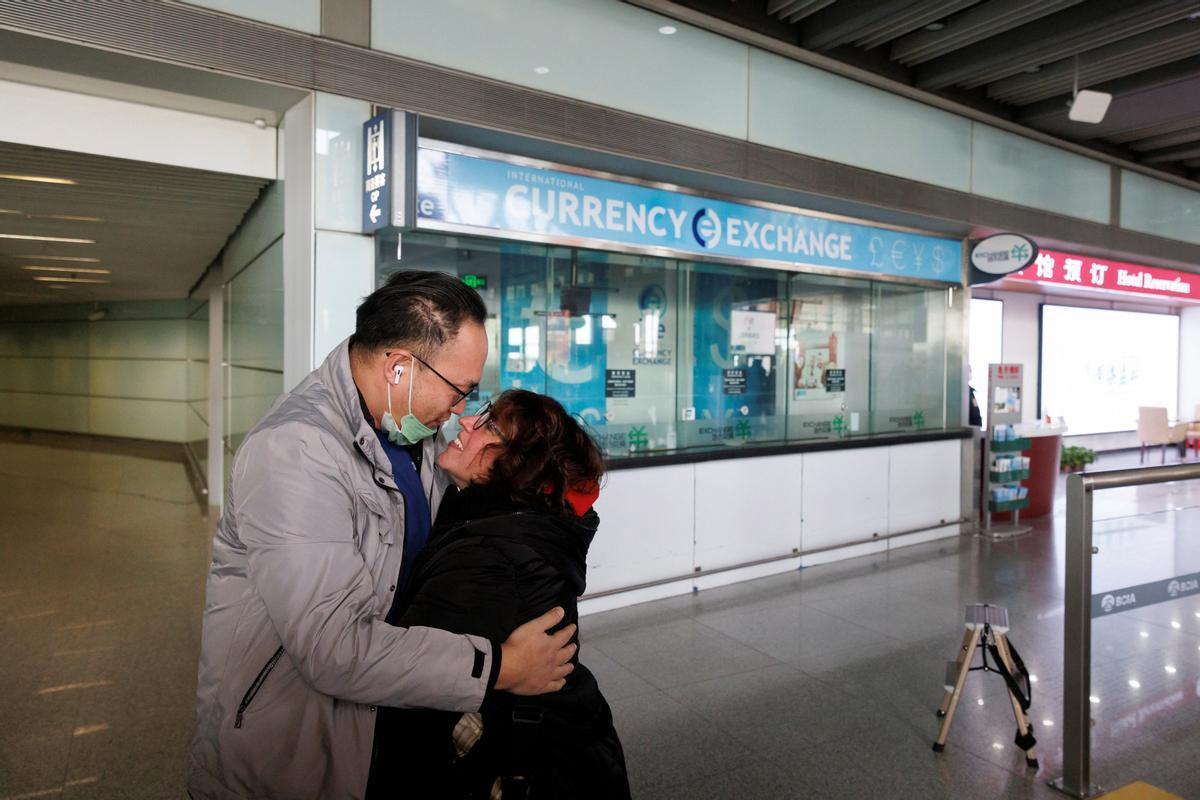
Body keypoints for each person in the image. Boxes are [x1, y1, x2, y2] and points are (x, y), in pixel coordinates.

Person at [188, 272, 577, 800]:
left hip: (373, 726)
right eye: (459, 390)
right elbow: (333, 646)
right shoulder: (296, 452)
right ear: (399, 367)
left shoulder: (411, 429)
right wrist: (500, 667)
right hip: (290, 748)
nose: (462, 409)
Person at [366, 389, 630, 799]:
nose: (466, 422)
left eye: (488, 425)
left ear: (516, 467)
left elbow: (413, 693)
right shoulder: (516, 529)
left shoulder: (487, 556)